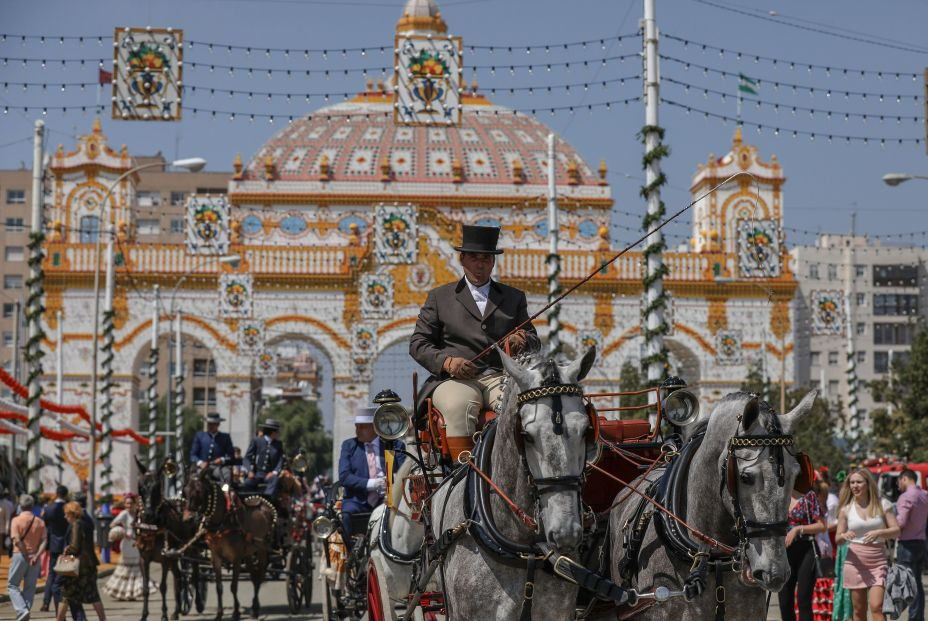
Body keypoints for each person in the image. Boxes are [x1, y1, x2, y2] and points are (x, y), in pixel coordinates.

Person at [409, 224, 540, 459]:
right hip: (454, 380)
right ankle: (462, 473)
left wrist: (521, 339)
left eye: (486, 259)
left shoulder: (514, 297)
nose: (480, 265)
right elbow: (418, 343)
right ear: (462, 259)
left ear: (493, 262)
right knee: (459, 407)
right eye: (473, 258)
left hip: (500, 377)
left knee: (526, 407)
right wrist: (448, 362)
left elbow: (533, 340)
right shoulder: (440, 297)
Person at [835, 468, 900, 621]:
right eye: (852, 483)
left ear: (868, 483)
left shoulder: (883, 504)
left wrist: (879, 533)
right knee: (859, 610)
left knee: (877, 606)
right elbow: (838, 539)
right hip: (854, 562)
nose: (855, 486)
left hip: (878, 561)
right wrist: (844, 536)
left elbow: (896, 530)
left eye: (859, 482)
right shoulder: (846, 509)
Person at [337, 408, 406, 538]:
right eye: (356, 426)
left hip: (388, 498)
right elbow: (344, 477)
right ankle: (350, 549)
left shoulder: (395, 445)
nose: (357, 430)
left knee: (403, 515)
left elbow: (405, 472)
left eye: (362, 427)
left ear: (375, 428)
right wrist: (373, 484)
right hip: (356, 500)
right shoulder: (349, 446)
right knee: (346, 514)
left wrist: (392, 479)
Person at [778, 486, 827, 621]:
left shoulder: (808, 496)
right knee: (784, 601)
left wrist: (798, 529)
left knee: (803, 599)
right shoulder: (777, 497)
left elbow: (822, 526)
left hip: (807, 549)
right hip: (784, 552)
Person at [56, 501, 104, 621]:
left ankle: (59, 619)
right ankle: (103, 619)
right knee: (93, 595)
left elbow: (75, 546)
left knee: (65, 594)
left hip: (77, 567)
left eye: (66, 514)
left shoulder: (76, 524)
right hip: (90, 565)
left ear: (72, 514)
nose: (65, 517)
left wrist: (67, 549)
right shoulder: (86, 522)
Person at [102, 494, 153, 601]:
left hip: (137, 542)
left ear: (135, 504)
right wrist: (123, 533)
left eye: (131, 503)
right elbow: (112, 524)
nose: (129, 505)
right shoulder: (124, 513)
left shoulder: (138, 514)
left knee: (137, 568)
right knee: (127, 569)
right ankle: (123, 592)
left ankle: (132, 592)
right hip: (127, 544)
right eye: (127, 503)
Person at [895, 469, 928, 621]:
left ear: (904, 478)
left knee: (909, 586)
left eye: (898, 482)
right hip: (921, 542)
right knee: (917, 585)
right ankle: (918, 618)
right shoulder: (924, 495)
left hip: (907, 545)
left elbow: (901, 522)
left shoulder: (906, 497)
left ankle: (914, 619)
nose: (898, 485)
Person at [8, 494, 47, 621]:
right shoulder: (40, 521)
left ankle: (22, 610)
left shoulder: (16, 520)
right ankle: (25, 611)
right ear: (32, 506)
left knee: (13, 584)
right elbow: (44, 540)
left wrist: (26, 555)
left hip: (20, 555)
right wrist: (36, 555)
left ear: (20, 505)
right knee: (30, 586)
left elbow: (17, 540)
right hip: (35, 556)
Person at [40, 485, 70, 613]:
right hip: (67, 545)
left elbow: (45, 525)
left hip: (53, 544)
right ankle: (61, 604)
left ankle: (46, 602)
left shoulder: (48, 508)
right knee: (65, 575)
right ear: (66, 494)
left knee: (51, 574)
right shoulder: (69, 508)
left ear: (56, 494)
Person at [189, 412, 235, 486]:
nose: (211, 426)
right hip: (202, 468)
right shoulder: (200, 436)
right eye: (209, 424)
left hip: (219, 468)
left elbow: (231, 455)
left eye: (213, 424)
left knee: (226, 474)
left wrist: (222, 459)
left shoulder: (225, 437)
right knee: (195, 478)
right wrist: (200, 463)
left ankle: (225, 492)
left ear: (218, 424)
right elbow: (193, 455)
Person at [241, 419, 284, 496]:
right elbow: (247, 458)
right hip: (256, 474)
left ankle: (266, 498)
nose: (278, 434)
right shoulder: (256, 441)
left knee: (275, 480)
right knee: (247, 483)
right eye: (277, 432)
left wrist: (274, 472)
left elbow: (280, 460)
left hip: (270, 476)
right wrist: (250, 471)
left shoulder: (278, 444)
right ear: (273, 433)